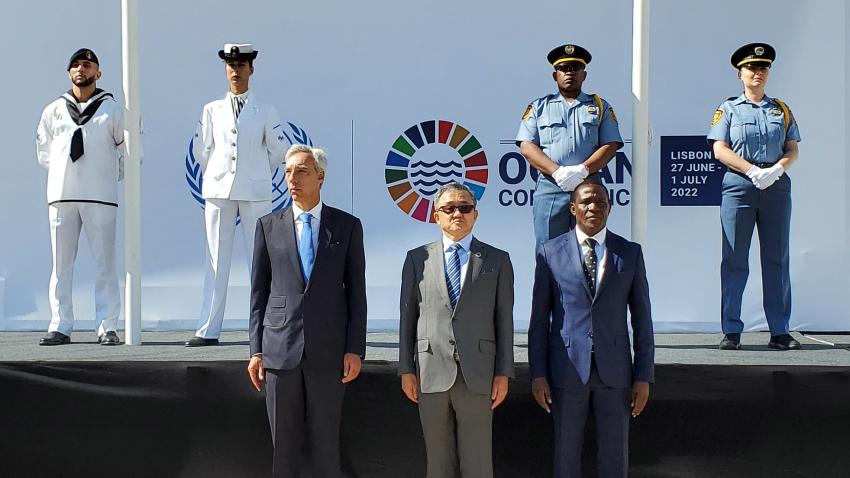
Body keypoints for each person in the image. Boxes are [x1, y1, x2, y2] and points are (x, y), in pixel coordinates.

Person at [247, 145, 367, 478]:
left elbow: (357, 293)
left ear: (320, 176)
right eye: (287, 171)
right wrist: (256, 350)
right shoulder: (268, 226)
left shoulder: (346, 226)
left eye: (301, 171)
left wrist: (355, 348)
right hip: (279, 352)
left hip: (328, 354)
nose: (292, 179)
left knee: (326, 447)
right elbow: (258, 294)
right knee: (283, 452)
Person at [528, 178, 654, 478]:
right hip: (566, 370)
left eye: (600, 201)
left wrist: (643, 376)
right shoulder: (550, 252)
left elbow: (642, 319)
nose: (593, 207)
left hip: (616, 372)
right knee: (565, 456)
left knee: (615, 457)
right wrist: (538, 374)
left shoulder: (630, 253)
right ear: (573, 208)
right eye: (586, 201)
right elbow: (538, 320)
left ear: (609, 207)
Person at [399, 182, 515, 478]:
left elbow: (504, 319)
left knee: (477, 462)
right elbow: (407, 317)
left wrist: (503, 372)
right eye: (448, 208)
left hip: (478, 372)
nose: (457, 214)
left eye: (464, 208)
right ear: (436, 216)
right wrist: (405, 369)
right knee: (438, 462)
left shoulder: (497, 260)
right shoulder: (416, 259)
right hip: (429, 371)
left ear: (475, 215)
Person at [187, 43, 288, 346]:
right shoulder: (212, 109)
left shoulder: (266, 110)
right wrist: (221, 172)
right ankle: (208, 328)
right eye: (231, 65)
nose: (235, 70)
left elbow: (278, 150)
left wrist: (255, 170)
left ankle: (267, 329)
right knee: (216, 258)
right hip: (219, 190)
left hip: (255, 191)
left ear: (251, 69)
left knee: (261, 260)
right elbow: (201, 150)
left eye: (241, 65)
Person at [707, 43, 802, 351]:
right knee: (735, 259)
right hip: (739, 185)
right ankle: (731, 330)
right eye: (751, 68)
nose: (757, 72)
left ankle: (780, 330)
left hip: (775, 185)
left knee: (776, 259)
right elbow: (719, 149)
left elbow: (792, 148)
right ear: (740, 73)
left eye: (763, 68)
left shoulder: (781, 109)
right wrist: (751, 170)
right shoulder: (729, 108)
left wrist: (777, 169)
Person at [36, 48, 126, 346]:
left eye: (87, 65)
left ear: (98, 73)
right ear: (68, 73)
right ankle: (60, 324)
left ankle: (107, 324)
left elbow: (127, 152)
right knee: (61, 264)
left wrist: (104, 175)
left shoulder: (112, 110)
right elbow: (45, 153)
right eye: (75, 65)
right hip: (62, 195)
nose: (80, 69)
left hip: (100, 195)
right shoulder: (54, 109)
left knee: (105, 263)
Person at [516, 44, 623, 246]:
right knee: (547, 248)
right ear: (555, 75)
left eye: (575, 68)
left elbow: (610, 144)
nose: (569, 73)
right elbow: (527, 145)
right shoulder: (539, 107)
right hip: (550, 186)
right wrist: (556, 172)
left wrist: (583, 170)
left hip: (589, 184)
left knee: (591, 245)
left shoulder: (600, 106)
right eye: (564, 68)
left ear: (584, 74)